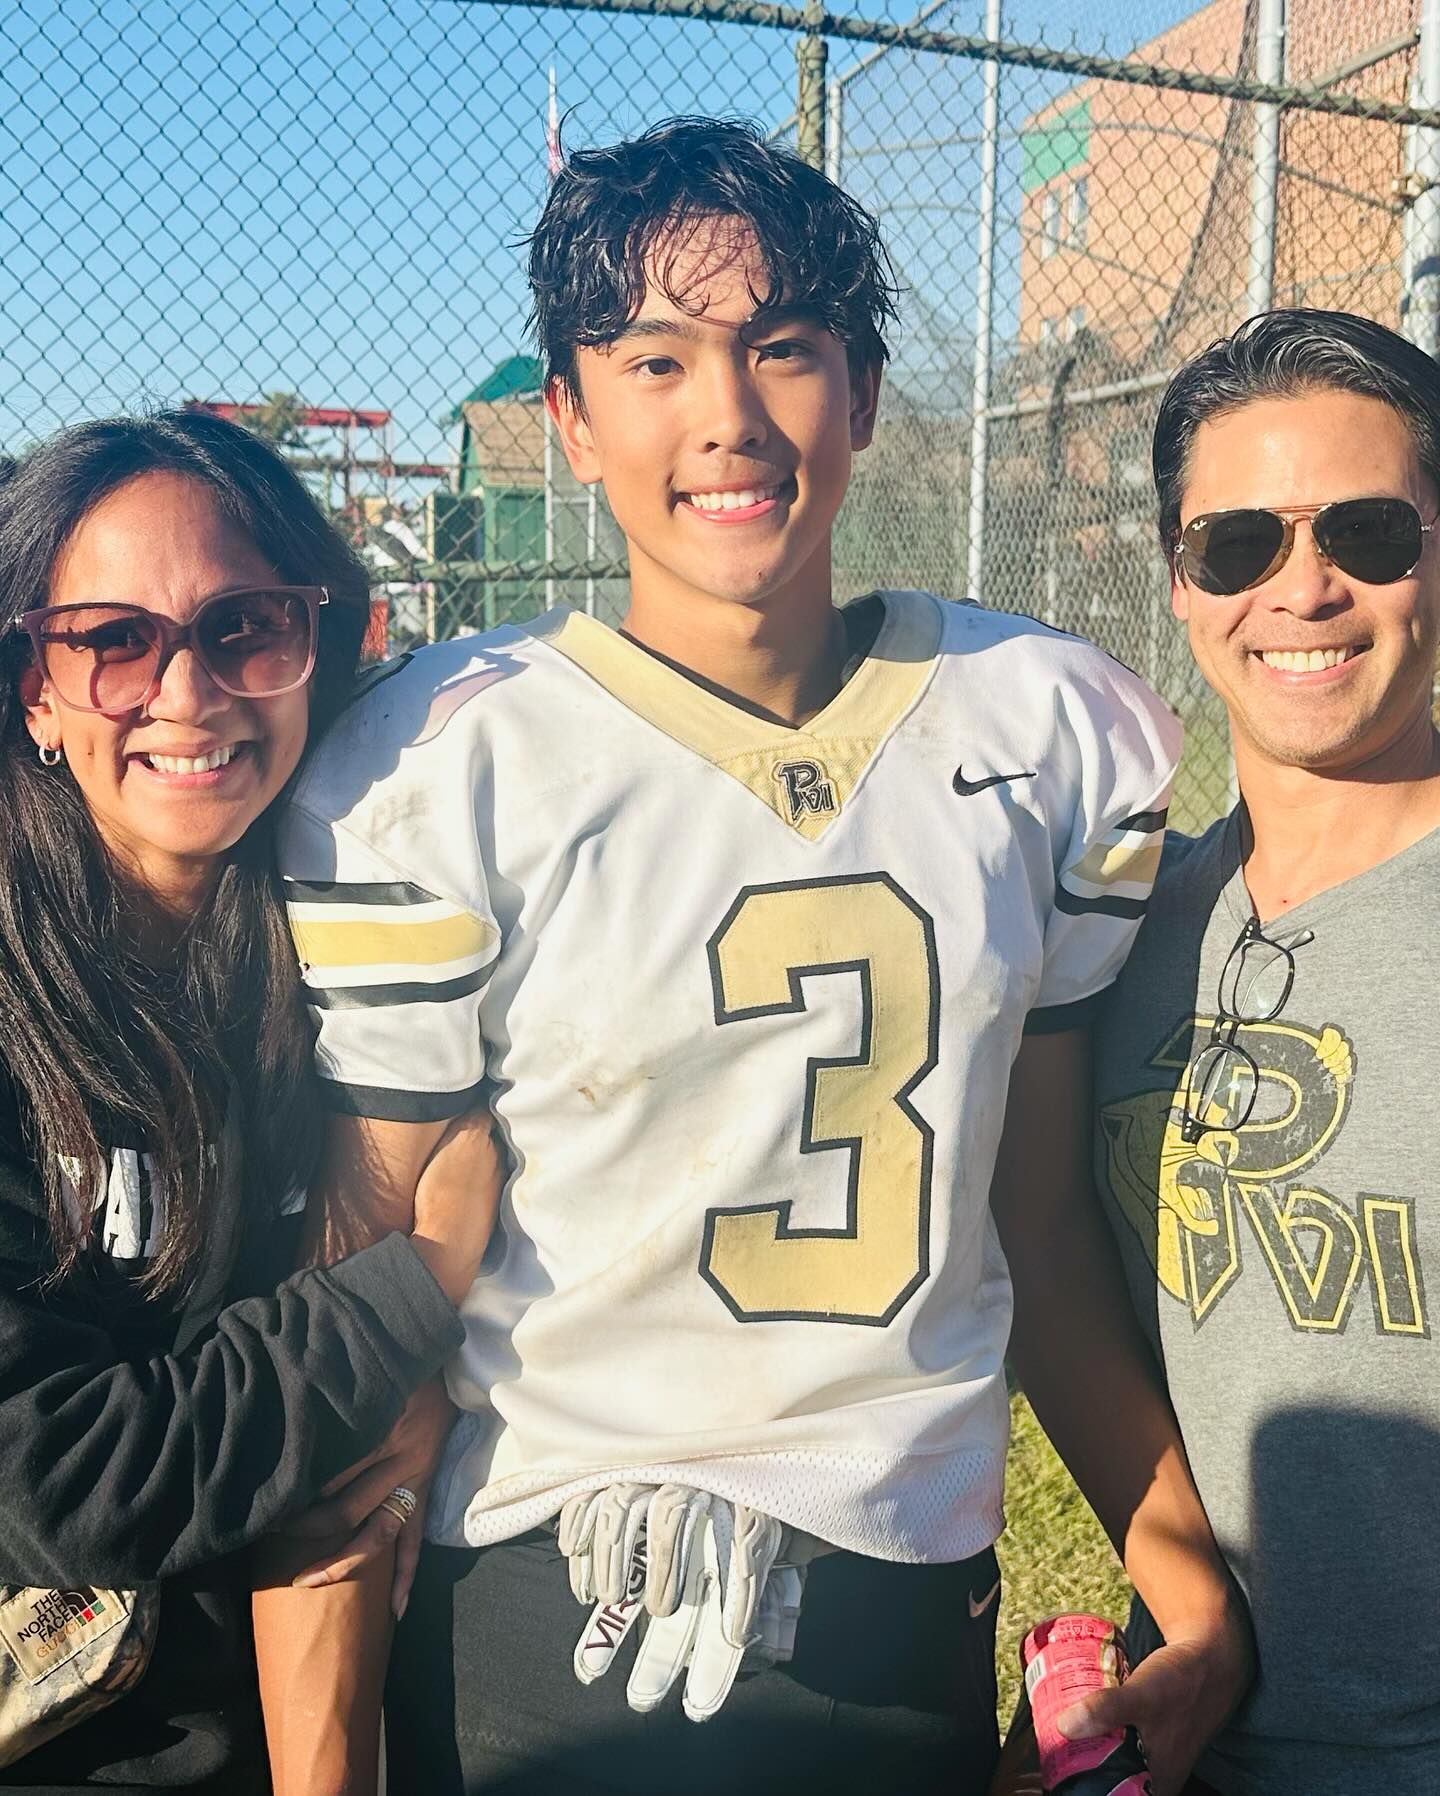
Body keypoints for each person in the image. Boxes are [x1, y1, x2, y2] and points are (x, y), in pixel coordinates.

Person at [261, 119, 1251, 1796]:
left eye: (783, 347)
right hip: (551, 1599)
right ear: (569, 416)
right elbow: (365, 1294)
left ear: (863, 397)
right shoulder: (441, 762)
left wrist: (1176, 1571)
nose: (726, 415)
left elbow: (1032, 1205)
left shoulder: (1047, 728)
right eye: (655, 357)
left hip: (896, 1594)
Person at [0, 411, 499, 1794]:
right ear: (35, 689)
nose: (186, 690)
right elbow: (55, 1483)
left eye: (245, 629)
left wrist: (416, 1412)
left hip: (352, 1657)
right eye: (111, 642)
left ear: (318, 649)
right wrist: (416, 1290)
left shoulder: (366, 940)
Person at [1093, 307, 1440, 1795]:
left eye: (1367, 531)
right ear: (1180, 584)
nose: (1303, 589)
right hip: (1186, 1725)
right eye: (1236, 546)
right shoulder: (1117, 939)